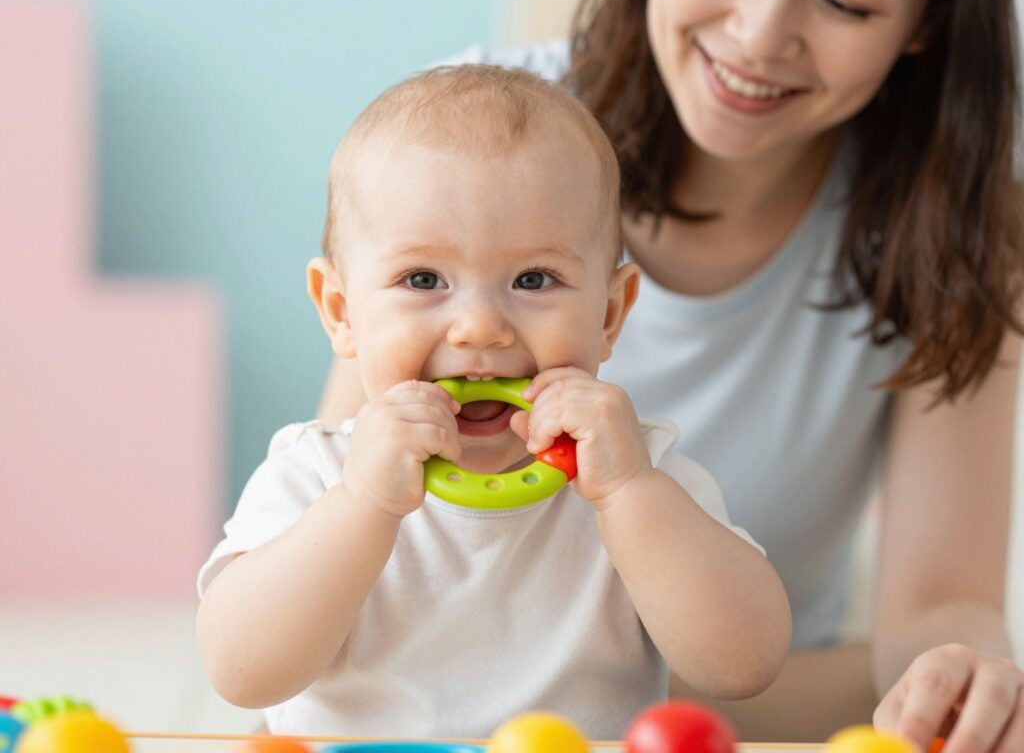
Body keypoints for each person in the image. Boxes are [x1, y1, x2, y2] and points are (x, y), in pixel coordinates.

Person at [318, 0, 1024, 749]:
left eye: (843, 1)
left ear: (929, 23)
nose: (758, 37)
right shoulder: (466, 135)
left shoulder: (962, 227)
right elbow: (330, 530)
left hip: (756, 705)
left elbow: (936, 608)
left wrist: (962, 683)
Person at [195, 65, 791, 739]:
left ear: (610, 313)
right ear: (342, 312)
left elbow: (745, 665)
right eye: (423, 279)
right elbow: (240, 673)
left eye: (534, 279)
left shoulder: (637, 468)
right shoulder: (317, 473)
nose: (480, 326)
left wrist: (630, 490)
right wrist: (361, 504)